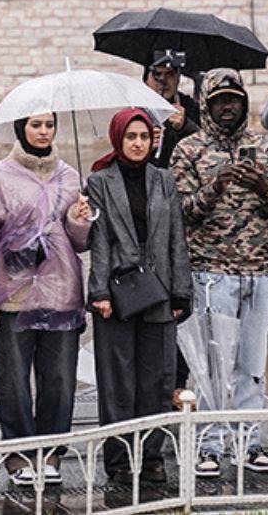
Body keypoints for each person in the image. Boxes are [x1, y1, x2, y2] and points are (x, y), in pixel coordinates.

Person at [0, 113, 92, 488]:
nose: (43, 132)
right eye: (35, 125)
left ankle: (51, 453)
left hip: (61, 294)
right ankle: (19, 454)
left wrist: (81, 220)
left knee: (60, 381)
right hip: (13, 297)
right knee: (13, 380)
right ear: (21, 129)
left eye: (49, 125)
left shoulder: (69, 176)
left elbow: (80, 243)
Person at [171, 68, 268, 476]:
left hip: (260, 272)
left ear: (243, 103)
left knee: (252, 364)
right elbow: (182, 210)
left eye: (234, 100)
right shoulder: (188, 149)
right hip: (211, 272)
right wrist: (215, 186)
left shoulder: (263, 145)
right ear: (206, 104)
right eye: (220, 100)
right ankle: (209, 445)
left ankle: (250, 441)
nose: (228, 107)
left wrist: (262, 186)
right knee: (214, 364)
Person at [85, 109, 192, 485]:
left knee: (157, 380)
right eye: (130, 136)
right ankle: (118, 461)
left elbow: (177, 237)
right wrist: (99, 292)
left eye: (144, 137)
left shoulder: (164, 180)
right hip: (117, 291)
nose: (137, 143)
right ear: (118, 139)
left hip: (160, 291)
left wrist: (181, 290)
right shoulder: (99, 181)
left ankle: (151, 457)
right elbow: (98, 242)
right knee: (117, 383)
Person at [143, 49, 200, 169]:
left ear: (178, 77)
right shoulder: (136, 109)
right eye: (157, 74)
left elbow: (206, 147)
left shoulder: (191, 107)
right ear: (147, 79)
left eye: (170, 74)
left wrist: (184, 127)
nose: (163, 81)